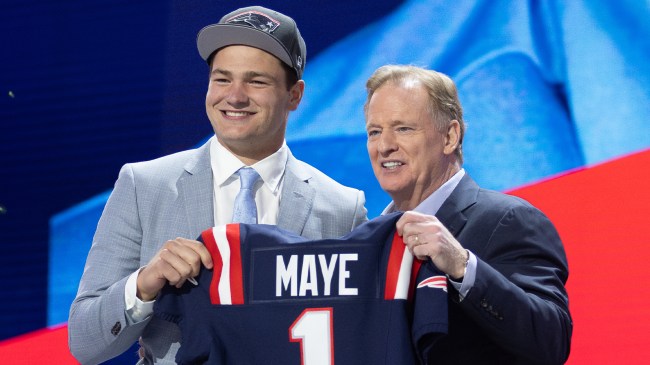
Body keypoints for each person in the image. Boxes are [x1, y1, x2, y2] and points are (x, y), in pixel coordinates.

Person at [68, 6, 367, 364]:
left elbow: (358, 340)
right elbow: (84, 343)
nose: (235, 96)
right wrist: (145, 284)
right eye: (222, 79)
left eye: (256, 81)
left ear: (295, 95)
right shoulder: (143, 186)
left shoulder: (342, 208)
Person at [364, 65, 572, 364]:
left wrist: (463, 267)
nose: (384, 146)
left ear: (450, 136)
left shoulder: (510, 220)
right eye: (375, 132)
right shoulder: (369, 239)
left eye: (403, 128)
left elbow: (551, 341)